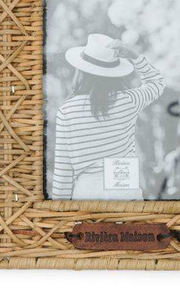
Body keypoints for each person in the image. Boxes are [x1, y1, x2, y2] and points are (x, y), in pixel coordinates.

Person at [51, 34, 165, 200]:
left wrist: (58, 210)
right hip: (124, 187)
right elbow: (157, 82)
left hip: (86, 193)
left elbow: (63, 172)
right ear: (114, 72)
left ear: (80, 71)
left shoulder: (66, 111)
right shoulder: (129, 101)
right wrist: (134, 56)